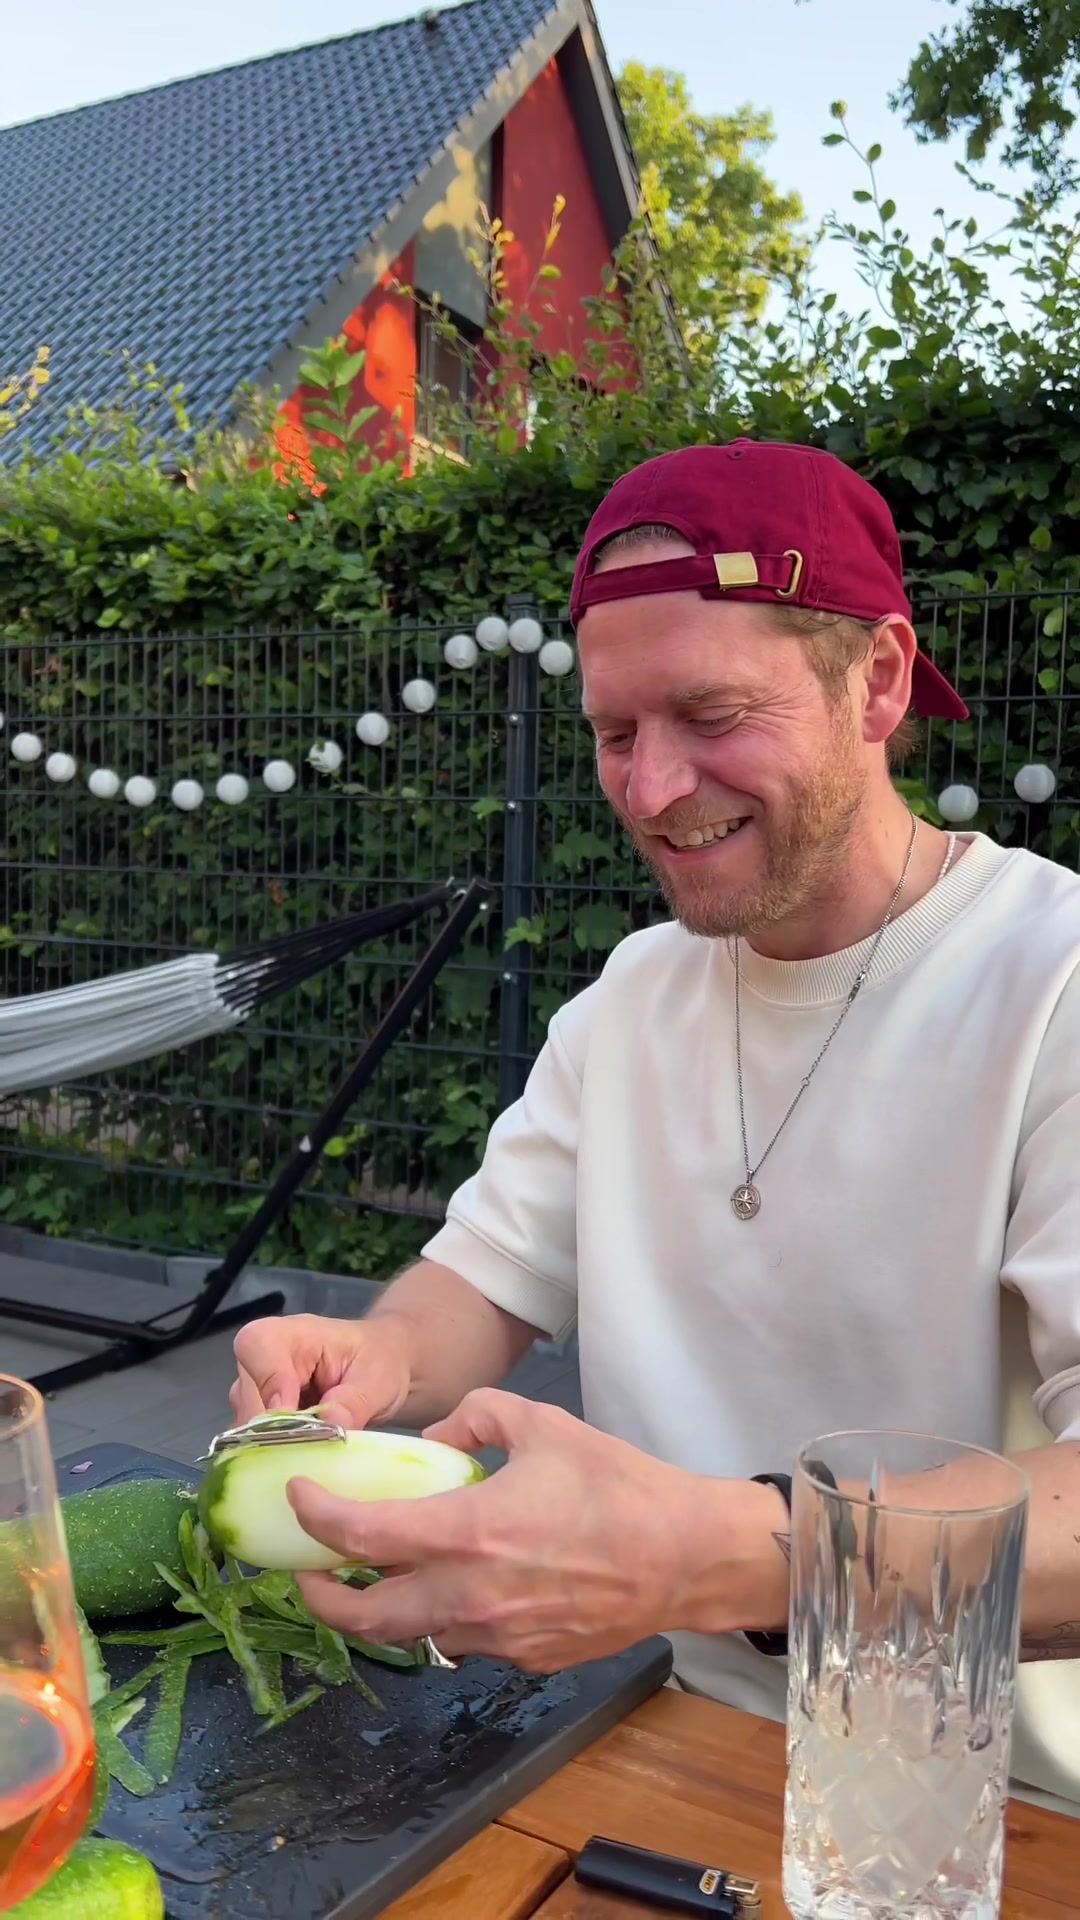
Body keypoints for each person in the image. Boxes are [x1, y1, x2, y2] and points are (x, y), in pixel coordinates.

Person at [230, 440, 1080, 1807]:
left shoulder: (1054, 984)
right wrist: (372, 1361)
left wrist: (718, 1560)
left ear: (878, 679)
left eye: (711, 713)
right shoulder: (631, 997)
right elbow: (483, 1281)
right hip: (650, 1741)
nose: (650, 790)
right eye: (617, 734)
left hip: (986, 1811)